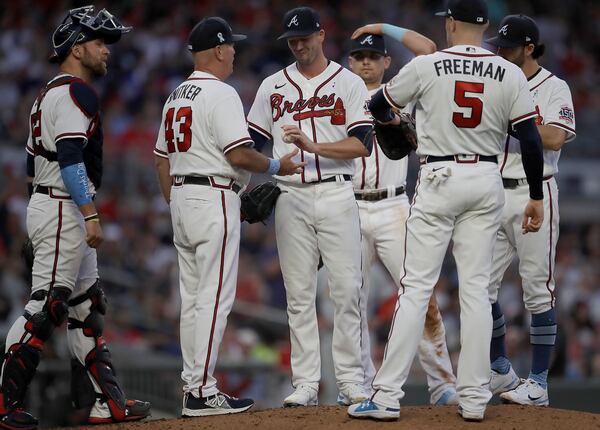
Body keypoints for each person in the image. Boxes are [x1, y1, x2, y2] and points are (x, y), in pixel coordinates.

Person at [348, 0, 545, 422]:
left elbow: (379, 106)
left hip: (439, 175)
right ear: (486, 26)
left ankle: (385, 397)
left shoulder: (428, 65)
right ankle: (474, 399)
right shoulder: (508, 71)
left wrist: (401, 126)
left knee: (416, 287)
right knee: (476, 291)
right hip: (486, 178)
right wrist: (536, 196)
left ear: (451, 23)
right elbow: (530, 138)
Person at [0, 6, 150, 429]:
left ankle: (108, 403)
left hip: (53, 204)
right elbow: (69, 159)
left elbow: (32, 166)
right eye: (100, 42)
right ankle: (5, 406)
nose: (107, 50)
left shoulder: (49, 93)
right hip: (65, 205)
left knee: (88, 308)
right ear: (77, 47)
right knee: (46, 307)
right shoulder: (73, 93)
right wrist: (89, 213)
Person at [153, 17, 303, 417]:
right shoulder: (220, 93)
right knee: (215, 299)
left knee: (194, 301)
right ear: (218, 50)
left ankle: (194, 386)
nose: (235, 51)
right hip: (212, 197)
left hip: (183, 199)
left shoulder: (175, 96)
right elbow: (239, 154)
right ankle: (201, 390)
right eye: (231, 45)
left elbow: (160, 159)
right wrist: (275, 166)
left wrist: (177, 203)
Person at [247, 6, 373, 407]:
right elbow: (249, 142)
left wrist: (314, 146)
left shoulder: (349, 82)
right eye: (292, 39)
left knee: (347, 289)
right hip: (290, 194)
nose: (298, 44)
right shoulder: (272, 86)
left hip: (337, 190)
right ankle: (305, 383)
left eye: (304, 37)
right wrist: (240, 185)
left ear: (321, 35)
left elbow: (362, 144)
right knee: (298, 293)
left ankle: (351, 380)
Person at [347, 25, 458, 405]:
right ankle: (360, 383)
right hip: (348, 204)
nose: (366, 62)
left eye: (373, 56)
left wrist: (382, 27)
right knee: (350, 301)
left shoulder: (402, 89)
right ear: (349, 61)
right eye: (360, 56)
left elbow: (428, 48)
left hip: (394, 205)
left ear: (386, 61)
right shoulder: (337, 91)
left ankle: (442, 384)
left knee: (420, 293)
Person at [485, 14, 576, 406]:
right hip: (491, 192)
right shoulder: (492, 82)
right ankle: (500, 369)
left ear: (528, 48)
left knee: (537, 291)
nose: (499, 52)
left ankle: (538, 382)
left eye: (507, 47)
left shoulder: (554, 87)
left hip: (534, 193)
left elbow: (555, 136)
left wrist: (514, 121)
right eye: (497, 46)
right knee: (478, 286)